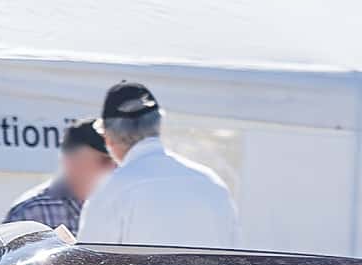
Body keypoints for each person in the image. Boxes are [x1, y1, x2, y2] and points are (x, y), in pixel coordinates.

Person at [75, 81, 240, 249]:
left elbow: (89, 262)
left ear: (108, 136)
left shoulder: (111, 188)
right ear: (158, 126)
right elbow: (234, 254)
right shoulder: (211, 181)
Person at [4, 121, 114, 234]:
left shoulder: (116, 204)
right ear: (69, 161)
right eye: (105, 161)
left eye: (118, 162)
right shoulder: (30, 212)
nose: (114, 169)